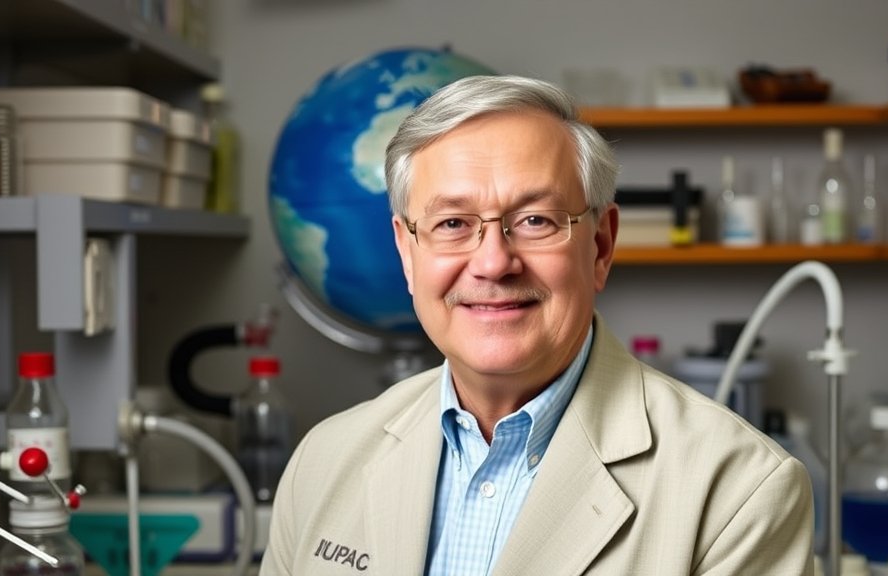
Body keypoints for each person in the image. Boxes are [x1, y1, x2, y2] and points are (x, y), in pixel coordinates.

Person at [261, 75, 814, 575]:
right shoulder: (322, 462)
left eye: (534, 221)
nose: (493, 262)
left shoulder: (740, 492)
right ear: (407, 253)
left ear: (600, 246)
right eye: (452, 223)